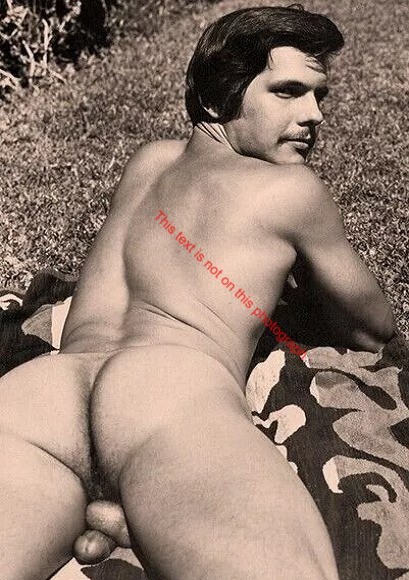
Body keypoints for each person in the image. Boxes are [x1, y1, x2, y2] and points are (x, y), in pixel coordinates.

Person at [0, 6, 397, 580]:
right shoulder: (291, 189)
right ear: (215, 99)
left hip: (39, 398)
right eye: (288, 92)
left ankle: (118, 506)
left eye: (319, 96)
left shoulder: (148, 162)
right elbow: (373, 328)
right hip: (169, 397)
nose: (314, 114)